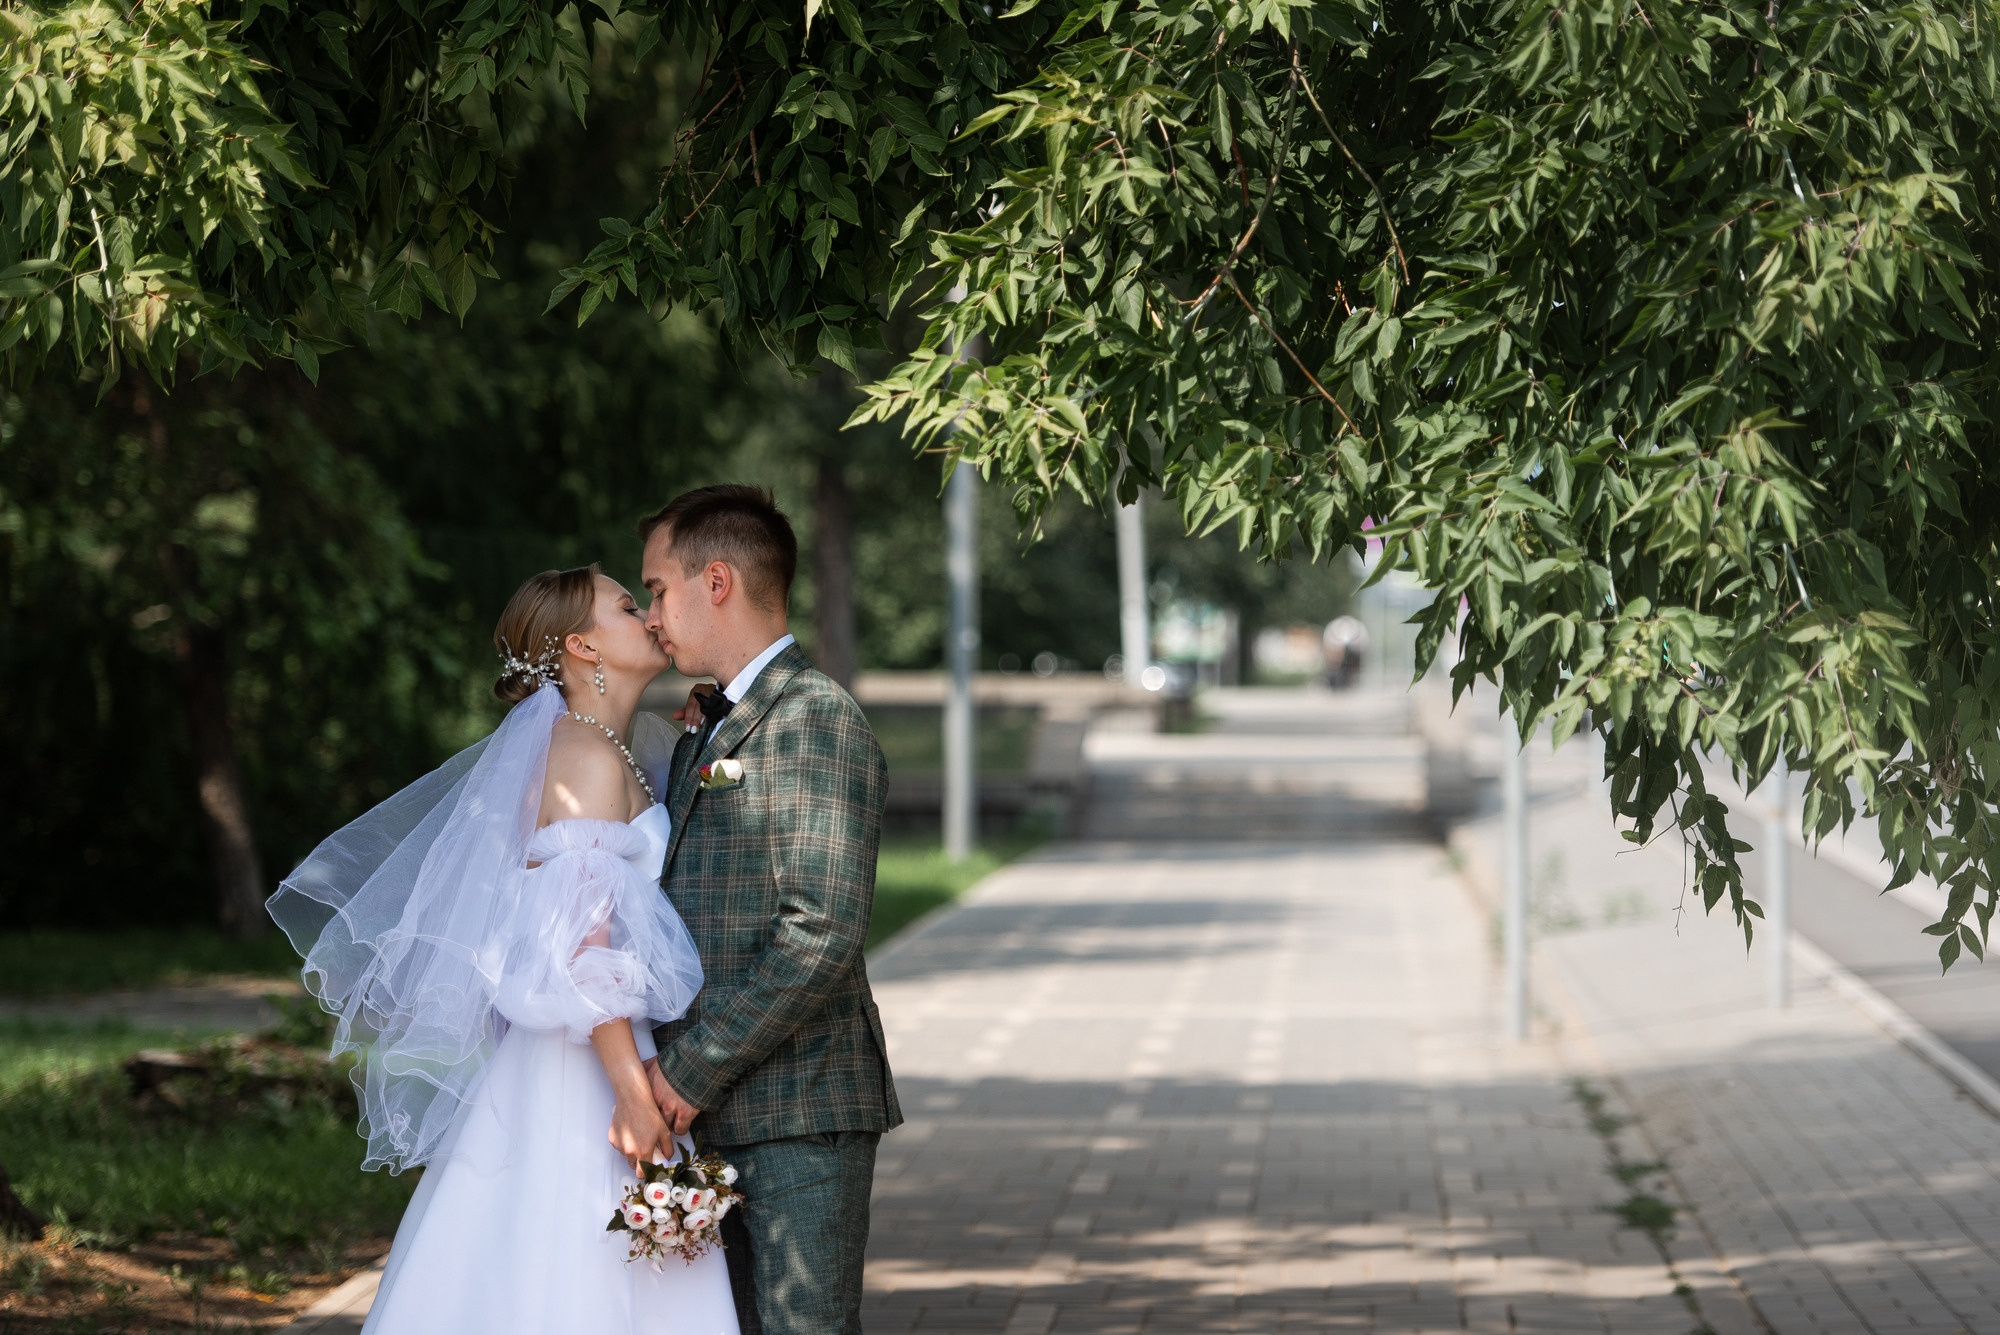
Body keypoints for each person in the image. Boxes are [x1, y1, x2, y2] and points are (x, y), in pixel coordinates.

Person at [267, 565, 738, 1335]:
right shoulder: (583, 756)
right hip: (588, 1064)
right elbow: (578, 949)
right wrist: (629, 1092)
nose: (650, 615)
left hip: (593, 1046)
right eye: (629, 604)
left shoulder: (610, 748)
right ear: (584, 645)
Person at [638, 485, 901, 1335]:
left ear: (717, 581)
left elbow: (819, 927)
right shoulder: (713, 725)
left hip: (799, 1111)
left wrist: (691, 1067)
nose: (649, 616)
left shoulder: (815, 717)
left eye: (657, 589)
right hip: (712, 1113)